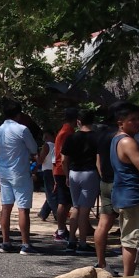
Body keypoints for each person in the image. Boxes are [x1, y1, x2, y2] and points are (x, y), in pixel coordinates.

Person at [0, 100, 40, 254]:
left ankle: (5, 241)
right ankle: (25, 244)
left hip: (3, 171)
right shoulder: (22, 129)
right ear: (18, 114)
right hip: (19, 171)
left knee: (6, 207)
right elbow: (33, 148)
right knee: (23, 208)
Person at [109, 103, 139, 277]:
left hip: (124, 193)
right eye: (132, 120)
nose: (137, 123)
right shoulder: (127, 141)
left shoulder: (116, 139)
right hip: (132, 195)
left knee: (133, 238)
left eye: (138, 119)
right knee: (131, 241)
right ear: (121, 123)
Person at [61, 109, 100, 254]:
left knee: (76, 207)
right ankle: (82, 243)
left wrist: (66, 175)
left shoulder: (72, 137)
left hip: (73, 173)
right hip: (89, 173)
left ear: (79, 121)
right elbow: (98, 160)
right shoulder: (97, 137)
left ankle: (72, 240)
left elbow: (64, 159)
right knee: (84, 210)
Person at [94, 104, 121, 274]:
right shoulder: (121, 135)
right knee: (128, 223)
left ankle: (101, 262)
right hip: (121, 182)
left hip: (105, 180)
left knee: (103, 224)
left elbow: (98, 160)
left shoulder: (101, 134)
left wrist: (103, 175)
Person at [53, 108, 78, 243]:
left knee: (67, 202)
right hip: (63, 170)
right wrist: (67, 174)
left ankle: (62, 229)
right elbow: (64, 156)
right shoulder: (66, 132)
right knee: (64, 202)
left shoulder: (66, 130)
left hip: (62, 170)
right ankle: (61, 230)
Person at [37, 131, 56, 221]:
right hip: (54, 170)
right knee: (52, 192)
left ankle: (57, 213)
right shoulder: (56, 145)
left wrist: (36, 157)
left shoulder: (46, 146)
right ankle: (43, 213)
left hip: (47, 170)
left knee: (49, 194)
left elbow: (41, 160)